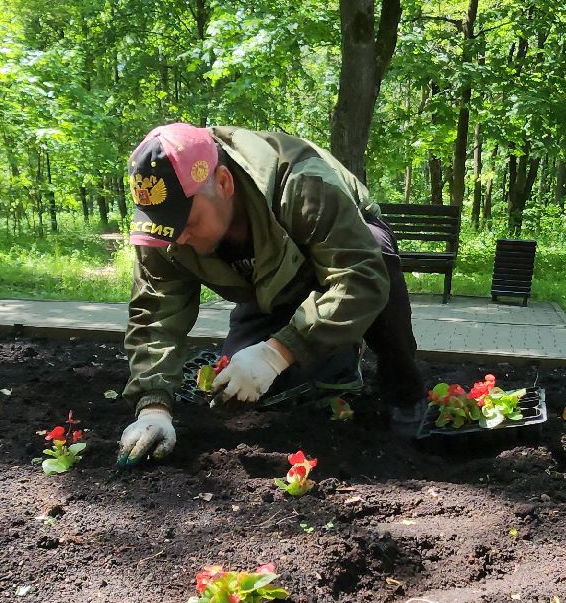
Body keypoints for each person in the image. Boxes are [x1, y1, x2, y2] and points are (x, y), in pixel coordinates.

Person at [114, 122, 428, 465]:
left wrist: (276, 353)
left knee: (376, 256)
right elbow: (155, 312)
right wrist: (153, 408)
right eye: (165, 228)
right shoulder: (163, 226)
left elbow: (359, 276)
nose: (177, 238)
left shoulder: (303, 183)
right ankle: (336, 361)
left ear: (224, 183)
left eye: (186, 223)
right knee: (242, 390)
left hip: (346, 254)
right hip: (268, 283)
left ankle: (404, 393)